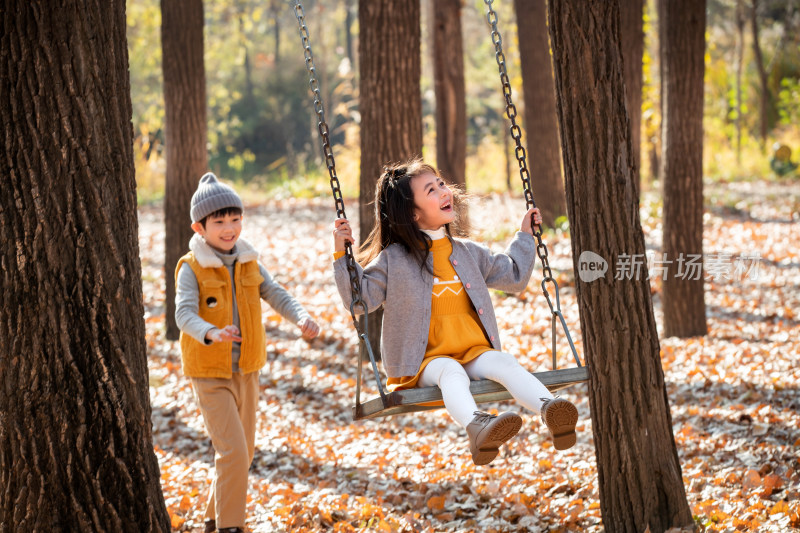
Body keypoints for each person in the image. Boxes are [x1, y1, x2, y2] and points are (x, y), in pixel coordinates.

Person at [332, 158, 578, 466]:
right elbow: (361, 300)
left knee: (503, 362)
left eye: (441, 184)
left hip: (472, 350)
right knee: (451, 372)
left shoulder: (466, 251)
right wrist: (343, 256)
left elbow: (513, 276)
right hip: (422, 362)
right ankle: (477, 425)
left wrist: (525, 237)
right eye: (431, 190)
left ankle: (551, 410)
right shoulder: (394, 259)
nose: (443, 192)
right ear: (412, 212)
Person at [175, 172, 320, 533]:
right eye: (219, 222)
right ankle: (230, 527)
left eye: (235, 219)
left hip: (247, 369)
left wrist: (300, 316)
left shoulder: (248, 260)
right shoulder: (190, 267)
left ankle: (212, 520)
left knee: (244, 453)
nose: (229, 229)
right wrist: (211, 332)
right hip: (210, 373)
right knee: (233, 453)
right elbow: (183, 313)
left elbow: (275, 293)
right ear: (199, 227)